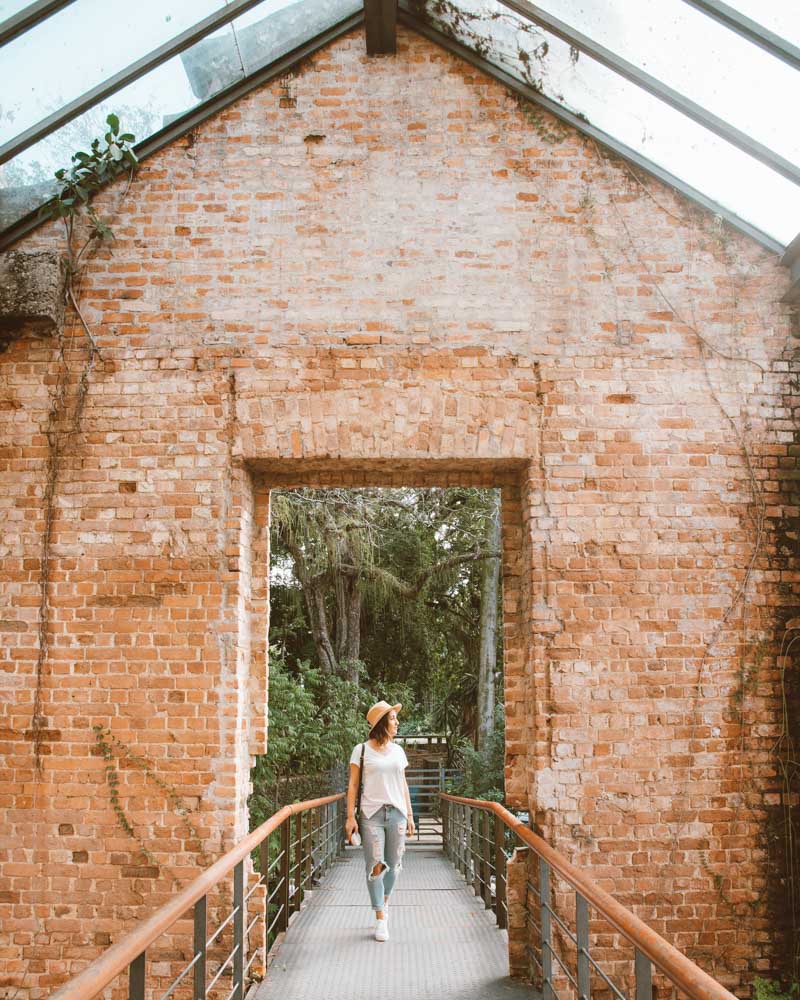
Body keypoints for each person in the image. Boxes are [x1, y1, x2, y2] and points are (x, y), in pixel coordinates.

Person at [345, 700, 415, 942]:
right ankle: (380, 918)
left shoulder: (398, 751)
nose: (397, 722)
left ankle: (384, 903)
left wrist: (410, 813)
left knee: (394, 865)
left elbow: (403, 784)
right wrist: (350, 817)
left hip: (397, 812)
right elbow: (353, 785)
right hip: (370, 814)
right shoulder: (361, 750)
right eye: (393, 718)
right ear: (382, 723)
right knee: (376, 865)